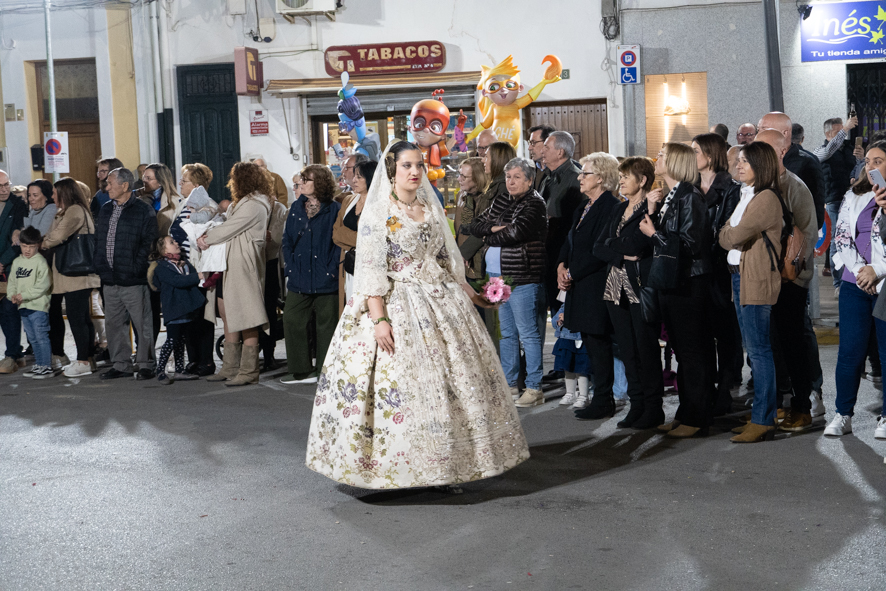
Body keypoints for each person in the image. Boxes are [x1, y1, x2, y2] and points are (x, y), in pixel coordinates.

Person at [305, 140, 529, 490]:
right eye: (407, 165)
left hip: (442, 301)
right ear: (392, 170)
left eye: (419, 165)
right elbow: (371, 271)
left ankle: (447, 464)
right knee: (400, 387)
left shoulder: (431, 208)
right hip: (397, 302)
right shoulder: (379, 213)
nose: (414, 171)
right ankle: (398, 467)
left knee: (451, 384)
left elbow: (448, 263)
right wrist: (379, 320)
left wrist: (476, 295)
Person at [640, 143, 715, 438]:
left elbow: (691, 244)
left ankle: (696, 418)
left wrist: (654, 234)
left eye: (661, 155)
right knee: (683, 351)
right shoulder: (673, 195)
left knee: (692, 352)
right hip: (674, 282)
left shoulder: (690, 196)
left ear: (675, 162)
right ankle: (685, 413)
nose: (656, 159)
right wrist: (652, 214)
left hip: (689, 283)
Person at [719, 142, 784, 443]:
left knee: (759, 351)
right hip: (740, 277)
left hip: (755, 279)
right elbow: (724, 233)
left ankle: (763, 420)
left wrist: (729, 234)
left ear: (761, 164)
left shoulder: (766, 197)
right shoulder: (747, 194)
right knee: (754, 350)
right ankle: (760, 415)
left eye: (745, 161)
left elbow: (733, 235)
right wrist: (729, 234)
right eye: (739, 161)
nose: (739, 165)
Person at [755, 131, 819, 432]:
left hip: (789, 281)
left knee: (792, 345)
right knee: (772, 345)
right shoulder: (761, 185)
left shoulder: (794, 186)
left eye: (763, 147)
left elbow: (807, 235)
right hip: (766, 278)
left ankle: (802, 407)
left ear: (782, 151)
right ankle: (778, 405)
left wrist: (792, 276)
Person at [595, 156, 665, 427]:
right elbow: (598, 247)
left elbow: (638, 245)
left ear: (643, 180)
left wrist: (617, 245)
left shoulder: (652, 208)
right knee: (626, 348)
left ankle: (653, 407)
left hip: (639, 284)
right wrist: (620, 251)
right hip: (615, 282)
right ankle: (636, 405)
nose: (621, 181)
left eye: (626, 176)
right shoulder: (618, 208)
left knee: (645, 347)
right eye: (620, 176)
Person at [472, 157, 547, 407]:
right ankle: (510, 385)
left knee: (528, 333)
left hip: (522, 275)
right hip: (497, 278)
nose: (511, 182)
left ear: (529, 180)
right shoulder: (503, 199)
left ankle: (534, 388)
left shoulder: (534, 203)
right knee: (506, 334)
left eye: (516, 177)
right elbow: (476, 225)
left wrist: (489, 234)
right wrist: (495, 228)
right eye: (508, 177)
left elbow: (516, 233)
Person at [825, 141, 886, 439]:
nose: (871, 166)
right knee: (850, 352)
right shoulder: (854, 194)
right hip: (855, 282)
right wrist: (862, 271)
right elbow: (842, 237)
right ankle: (843, 413)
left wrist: (878, 270)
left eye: (879, 161)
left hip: (884, 284)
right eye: (868, 161)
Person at [556, 153, 620, 416]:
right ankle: (599, 398)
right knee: (591, 344)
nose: (580, 177)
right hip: (578, 284)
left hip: (596, 284)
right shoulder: (584, 206)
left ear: (601, 178)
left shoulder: (611, 206)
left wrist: (572, 272)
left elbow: (599, 249)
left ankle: (604, 400)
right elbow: (570, 241)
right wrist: (561, 265)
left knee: (599, 344)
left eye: (585, 173)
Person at [197, 162, 271, 387]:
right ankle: (230, 366)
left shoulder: (255, 204)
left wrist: (206, 238)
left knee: (248, 315)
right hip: (228, 264)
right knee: (228, 312)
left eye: (234, 179)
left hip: (243, 264)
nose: (231, 183)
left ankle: (249, 370)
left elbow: (231, 227)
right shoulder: (242, 203)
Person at [94, 168, 158, 380]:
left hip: (133, 279)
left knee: (143, 323)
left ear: (124, 186)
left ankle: (146, 364)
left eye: (110, 183)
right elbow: (99, 240)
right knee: (114, 324)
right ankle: (121, 364)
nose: (106, 187)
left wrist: (136, 267)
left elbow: (149, 242)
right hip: (110, 279)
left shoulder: (143, 210)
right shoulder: (106, 209)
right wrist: (100, 265)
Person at [693, 133, 741, 415]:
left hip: (720, 270)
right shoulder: (690, 187)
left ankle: (725, 388)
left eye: (696, 151)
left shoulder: (730, 189)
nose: (692, 156)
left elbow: (727, 229)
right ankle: (706, 388)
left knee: (725, 333)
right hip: (696, 269)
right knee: (700, 333)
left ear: (710, 155)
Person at [280, 165, 341, 385]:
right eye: (302, 180)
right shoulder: (296, 207)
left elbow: (337, 243)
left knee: (327, 325)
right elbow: (287, 240)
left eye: (306, 180)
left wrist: (331, 269)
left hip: (326, 277)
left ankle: (324, 371)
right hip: (299, 276)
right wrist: (290, 267)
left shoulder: (334, 209)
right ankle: (300, 370)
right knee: (292, 318)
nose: (301, 183)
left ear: (320, 183)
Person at [41, 178, 101, 377]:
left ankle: (83, 361)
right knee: (81, 317)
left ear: (64, 193)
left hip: (77, 273)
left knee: (77, 319)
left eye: (54, 192)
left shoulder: (74, 210)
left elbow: (57, 236)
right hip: (72, 274)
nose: (52, 196)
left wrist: (43, 243)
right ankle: (88, 359)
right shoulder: (69, 210)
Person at [170, 163, 218, 377]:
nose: (180, 183)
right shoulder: (183, 204)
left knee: (202, 317)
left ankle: (206, 361)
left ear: (197, 185)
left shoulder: (208, 205)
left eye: (185, 180)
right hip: (183, 269)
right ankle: (193, 359)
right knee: (189, 315)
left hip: (198, 269)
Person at [149, 236, 205, 385]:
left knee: (181, 340)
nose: (177, 243)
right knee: (172, 339)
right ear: (163, 251)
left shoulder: (184, 264)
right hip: (173, 309)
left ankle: (179, 370)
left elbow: (189, 276)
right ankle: (160, 370)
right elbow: (177, 281)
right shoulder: (162, 267)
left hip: (186, 308)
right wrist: (198, 276)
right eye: (172, 242)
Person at [541, 131, 583, 316]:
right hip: (548, 250)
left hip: (562, 252)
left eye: (547, 147)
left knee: (562, 311)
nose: (542, 150)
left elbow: (576, 221)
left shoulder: (575, 178)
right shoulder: (548, 177)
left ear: (560, 152)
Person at [818, 116, 861, 293]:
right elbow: (829, 151)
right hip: (834, 200)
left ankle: (853, 278)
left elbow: (858, 170)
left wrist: (861, 159)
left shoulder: (849, 149)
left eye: (843, 131)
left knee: (855, 238)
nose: (842, 136)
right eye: (838, 132)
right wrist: (846, 129)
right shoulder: (821, 151)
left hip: (853, 199)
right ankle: (838, 284)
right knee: (837, 239)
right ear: (827, 133)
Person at [7, 226, 53, 379]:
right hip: (23, 307)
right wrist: (12, 295)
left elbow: (43, 285)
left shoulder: (40, 262)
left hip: (38, 306)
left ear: (38, 245)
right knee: (33, 338)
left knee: (41, 336)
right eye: (24, 246)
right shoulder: (17, 262)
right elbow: (12, 282)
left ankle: (46, 366)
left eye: (31, 246)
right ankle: (39, 364)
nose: (27, 250)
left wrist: (24, 295)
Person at [332, 159, 376, 315]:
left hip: (369, 267)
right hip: (349, 265)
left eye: (359, 177)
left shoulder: (379, 204)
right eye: (354, 175)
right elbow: (336, 233)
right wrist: (359, 240)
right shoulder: (348, 200)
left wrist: (348, 238)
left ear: (370, 178)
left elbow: (374, 240)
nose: (354, 180)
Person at [0, 169, 28, 374]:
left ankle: (11, 355)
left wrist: (2, 262)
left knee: (9, 310)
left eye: (6, 184)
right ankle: (16, 353)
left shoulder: (18, 204)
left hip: (10, 266)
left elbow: (19, 239)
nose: (4, 189)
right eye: (0, 186)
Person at [259, 179, 288, 371]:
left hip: (270, 264)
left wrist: (267, 236)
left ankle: (269, 354)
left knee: (269, 310)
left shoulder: (278, 209)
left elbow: (276, 239)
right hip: (253, 264)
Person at [454, 157, 490, 282]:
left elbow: (484, 230)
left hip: (482, 264)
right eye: (459, 174)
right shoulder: (461, 196)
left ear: (478, 178)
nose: (459, 179)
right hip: (462, 263)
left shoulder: (489, 199)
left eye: (464, 177)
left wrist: (465, 252)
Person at [552, 309, 591, 408]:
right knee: (567, 368)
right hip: (566, 339)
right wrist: (558, 320)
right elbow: (554, 321)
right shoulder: (565, 304)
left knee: (581, 370)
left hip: (580, 339)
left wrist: (569, 317)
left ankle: (583, 396)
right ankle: (570, 393)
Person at [140, 163, 185, 238]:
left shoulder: (174, 202)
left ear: (160, 182)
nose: (144, 181)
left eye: (148, 178)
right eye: (144, 177)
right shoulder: (139, 198)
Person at [528, 124, 555, 190]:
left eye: (533, 143)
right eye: (529, 143)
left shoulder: (560, 170)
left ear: (547, 142)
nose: (529, 148)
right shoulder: (530, 169)